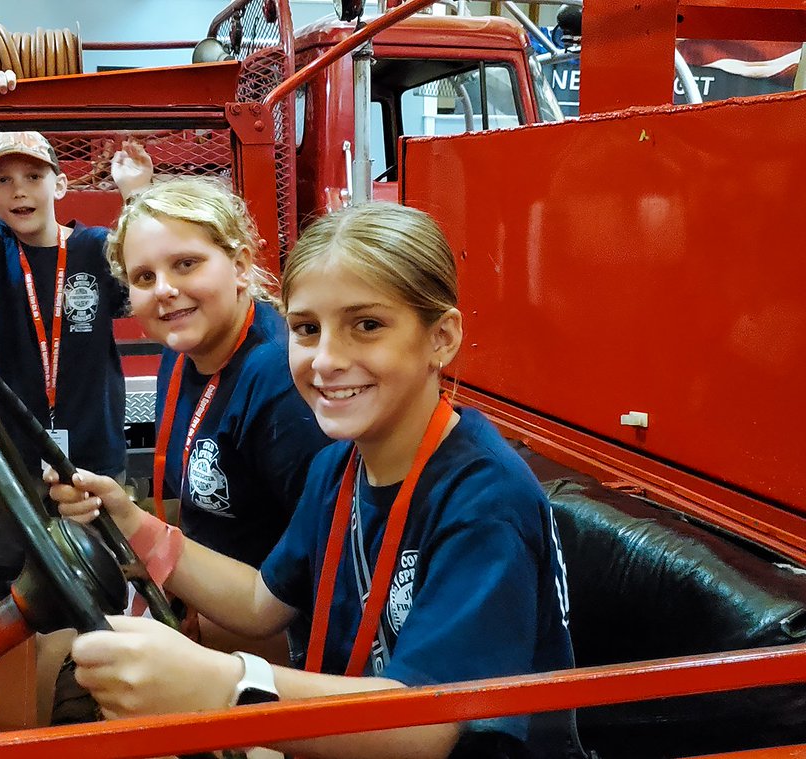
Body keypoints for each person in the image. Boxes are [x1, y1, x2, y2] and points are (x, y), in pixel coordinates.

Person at [50, 202, 583, 758]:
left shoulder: (483, 499)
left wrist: (227, 687)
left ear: (442, 338)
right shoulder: (339, 466)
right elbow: (261, 602)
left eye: (367, 325)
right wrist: (132, 523)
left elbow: (432, 726)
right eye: (307, 329)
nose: (326, 360)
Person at [45, 177, 331, 725]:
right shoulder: (183, 354)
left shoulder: (278, 381)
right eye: (144, 277)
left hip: (273, 637)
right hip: (201, 599)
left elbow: (318, 580)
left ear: (240, 265)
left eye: (186, 265)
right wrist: (122, 514)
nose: (165, 290)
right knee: (58, 639)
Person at [0, 69, 154, 580]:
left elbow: (146, 257)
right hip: (15, 448)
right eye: (2, 180)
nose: (19, 190)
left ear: (61, 183)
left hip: (93, 441)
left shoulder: (95, 246)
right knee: (31, 575)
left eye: (34, 176)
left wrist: (136, 194)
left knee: (100, 568)